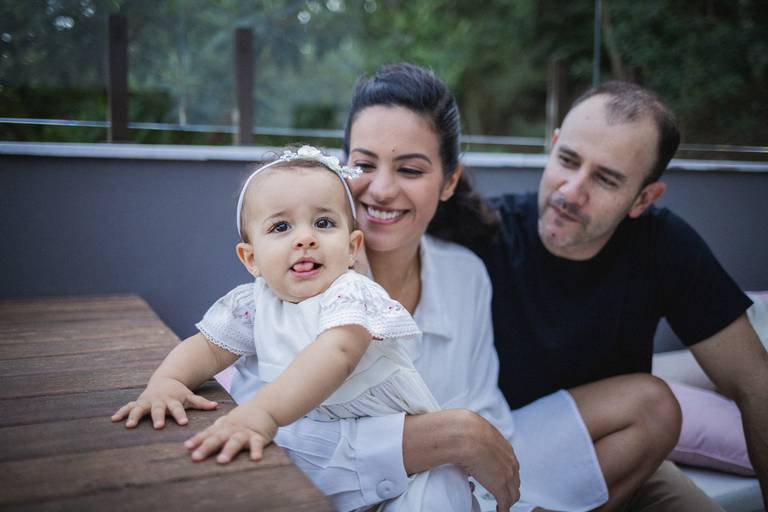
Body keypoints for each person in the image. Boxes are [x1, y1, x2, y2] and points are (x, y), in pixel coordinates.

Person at [251, 63, 681, 512]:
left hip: (464, 484)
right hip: (371, 493)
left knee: (652, 407)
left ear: (449, 182)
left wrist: (481, 475)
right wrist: (446, 438)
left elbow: (487, 416)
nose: (381, 189)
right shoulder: (301, 271)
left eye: (410, 169)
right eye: (363, 164)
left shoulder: (465, 275)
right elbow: (276, 437)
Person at [111, 145, 477, 511]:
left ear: (352, 248)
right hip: (335, 465)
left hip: (414, 469)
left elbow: (338, 353)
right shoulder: (253, 303)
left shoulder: (352, 294)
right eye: (281, 227)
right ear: (251, 258)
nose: (305, 239)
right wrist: (168, 382)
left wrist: (263, 413)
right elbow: (207, 347)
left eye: (323, 223)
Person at [475, 80, 768, 510]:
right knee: (654, 406)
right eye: (567, 160)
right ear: (552, 146)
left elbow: (754, 382)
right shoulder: (485, 232)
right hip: (500, 454)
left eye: (605, 179)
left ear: (643, 198)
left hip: (615, 451)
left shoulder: (664, 245)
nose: (570, 191)